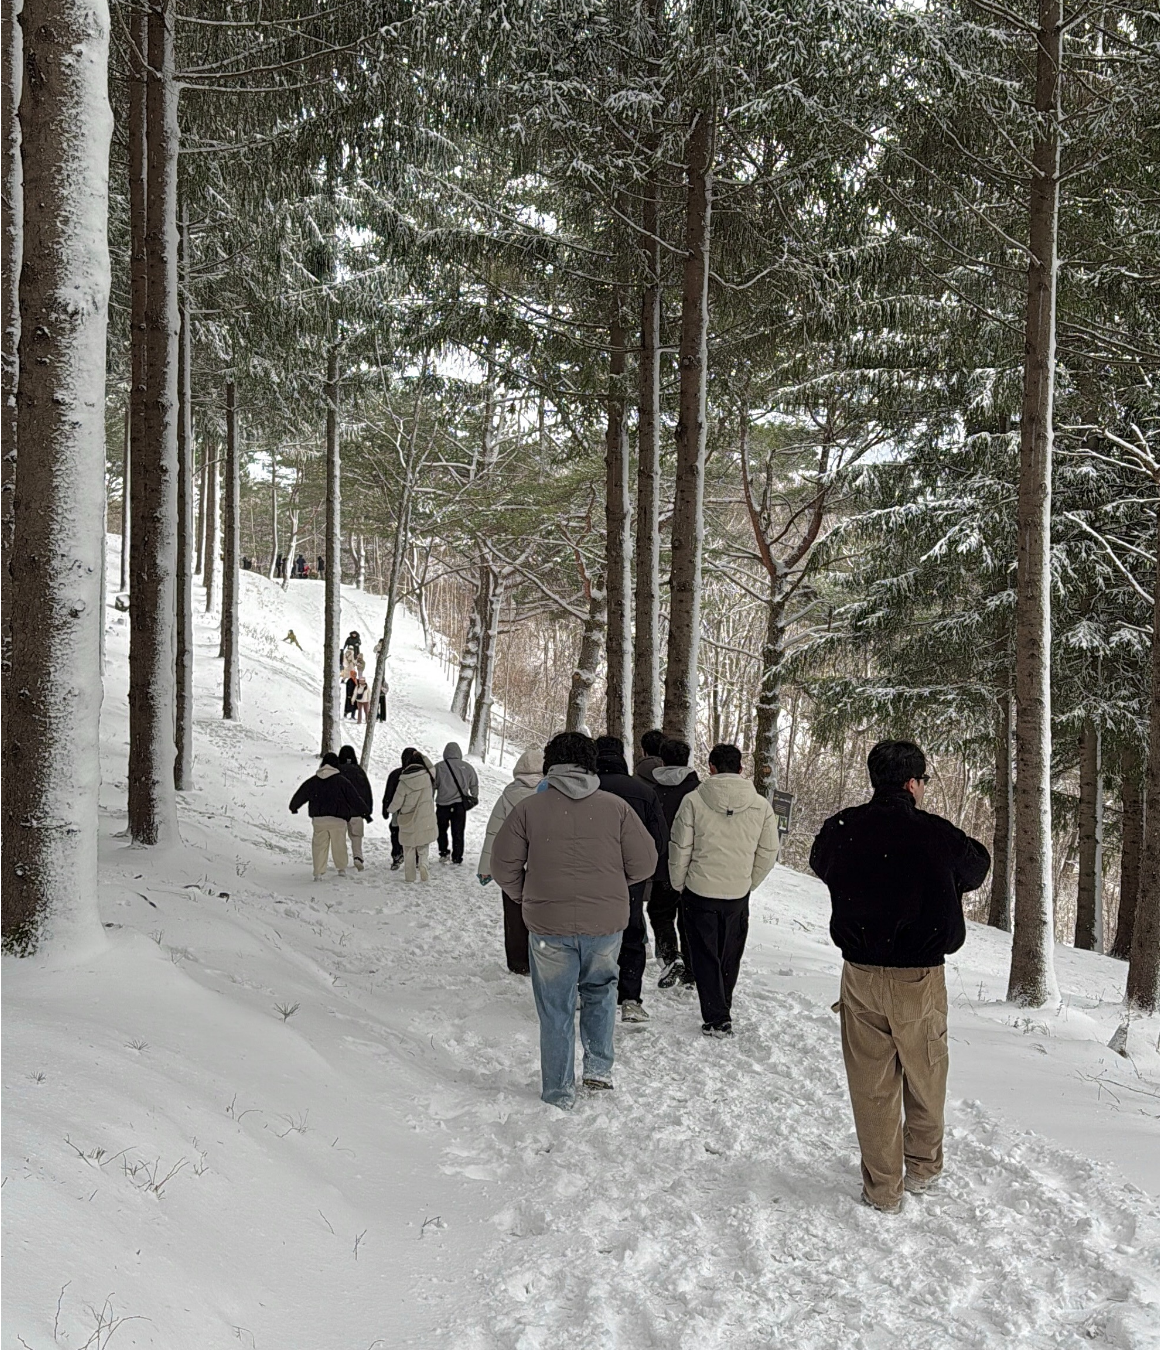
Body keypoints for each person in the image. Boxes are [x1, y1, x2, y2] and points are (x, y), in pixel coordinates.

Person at [809, 740, 990, 1214]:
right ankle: (923, 1167)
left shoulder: (842, 829)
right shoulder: (937, 835)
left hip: (860, 974)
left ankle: (883, 1189)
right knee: (926, 1074)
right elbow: (978, 865)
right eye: (923, 781)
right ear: (912, 783)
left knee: (871, 1085)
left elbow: (819, 862)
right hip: (920, 977)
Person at [490, 732, 657, 1109]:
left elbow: (503, 866)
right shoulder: (616, 808)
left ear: (551, 765)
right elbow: (645, 863)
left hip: (548, 926)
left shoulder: (529, 809)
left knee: (555, 1006)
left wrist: (525, 895)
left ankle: (558, 1090)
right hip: (605, 925)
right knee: (601, 991)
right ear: (590, 764)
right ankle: (598, 1069)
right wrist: (613, 886)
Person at [668, 743, 778, 1038]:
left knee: (704, 954)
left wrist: (679, 883)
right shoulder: (760, 806)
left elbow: (680, 847)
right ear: (741, 768)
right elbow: (768, 852)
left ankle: (717, 1016)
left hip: (698, 891)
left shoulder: (693, 801)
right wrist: (748, 882)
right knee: (730, 953)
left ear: (711, 768)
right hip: (737, 894)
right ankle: (722, 1006)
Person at [594, 735, 668, 1023]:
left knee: (591, 931)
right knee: (632, 931)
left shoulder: (586, 788)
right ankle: (630, 999)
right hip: (630, 876)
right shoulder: (643, 792)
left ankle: (590, 991)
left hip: (590, 873)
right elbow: (659, 839)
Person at [477, 745, 544, 975]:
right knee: (543, 912)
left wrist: (486, 868)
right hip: (543, 863)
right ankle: (541, 956)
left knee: (514, 913)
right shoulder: (549, 793)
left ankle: (518, 961)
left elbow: (493, 832)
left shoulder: (508, 795)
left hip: (513, 864)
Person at [649, 737, 701, 989]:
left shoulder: (653, 791)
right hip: (693, 864)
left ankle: (671, 956)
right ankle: (691, 970)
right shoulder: (699, 792)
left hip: (663, 865)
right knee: (688, 917)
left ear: (662, 760)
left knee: (660, 912)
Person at [289, 751, 368, 881]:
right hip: (338, 820)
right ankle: (341, 869)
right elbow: (354, 798)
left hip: (319, 820)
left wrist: (294, 807)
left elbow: (301, 794)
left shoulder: (313, 781)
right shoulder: (342, 781)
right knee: (339, 845)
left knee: (319, 846)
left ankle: (318, 873)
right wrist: (364, 811)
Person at [386, 748, 437, 881]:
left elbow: (396, 802)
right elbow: (431, 766)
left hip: (408, 819)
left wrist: (390, 810)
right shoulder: (428, 777)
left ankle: (410, 876)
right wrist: (421, 755)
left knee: (408, 849)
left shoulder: (403, 781)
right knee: (423, 846)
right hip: (425, 818)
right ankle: (423, 865)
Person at [434, 741, 478, 865]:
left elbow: (433, 785)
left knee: (441, 830)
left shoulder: (438, 767)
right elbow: (474, 784)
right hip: (459, 805)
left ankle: (444, 852)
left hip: (442, 805)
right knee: (458, 831)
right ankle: (457, 857)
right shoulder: (467, 767)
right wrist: (474, 796)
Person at [336, 745, 374, 871]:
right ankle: (358, 857)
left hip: (340, 811)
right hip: (357, 810)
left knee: (340, 837)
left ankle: (341, 861)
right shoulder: (359, 771)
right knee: (356, 836)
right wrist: (367, 809)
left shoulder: (337, 770)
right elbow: (367, 791)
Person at [381, 750, 411, 870]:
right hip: (415, 810)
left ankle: (397, 853)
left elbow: (388, 793)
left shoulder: (395, 774)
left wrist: (385, 808)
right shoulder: (421, 775)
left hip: (398, 810)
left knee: (395, 831)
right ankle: (415, 856)